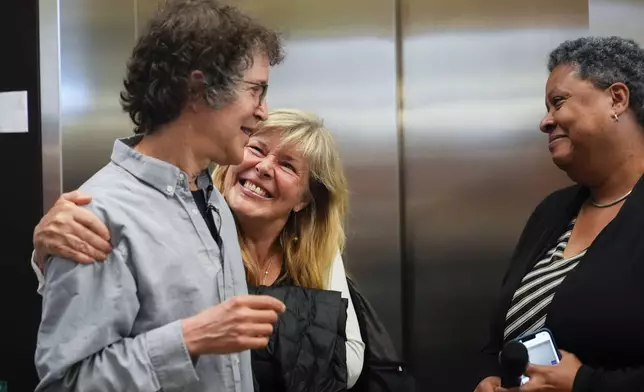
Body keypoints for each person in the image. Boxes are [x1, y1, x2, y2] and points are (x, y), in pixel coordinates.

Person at [33, 0, 286, 391]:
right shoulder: (96, 216)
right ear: (199, 90)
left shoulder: (211, 197)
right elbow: (66, 383)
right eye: (256, 91)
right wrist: (189, 340)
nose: (264, 111)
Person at [33, 109, 366, 390]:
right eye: (257, 149)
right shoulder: (196, 225)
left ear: (304, 200)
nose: (264, 167)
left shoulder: (317, 251)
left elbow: (349, 360)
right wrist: (43, 255)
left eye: (288, 165)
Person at [474, 36, 644, 392]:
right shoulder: (552, 212)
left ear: (617, 99)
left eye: (558, 102)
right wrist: (491, 379)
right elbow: (499, 337)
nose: (545, 121)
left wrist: (583, 384)